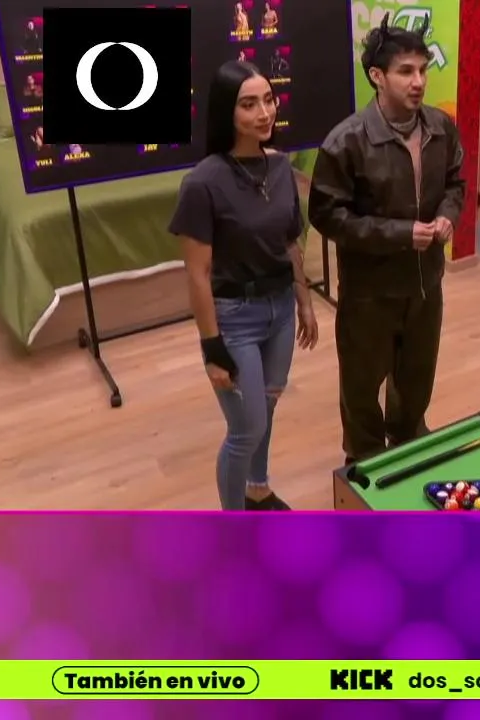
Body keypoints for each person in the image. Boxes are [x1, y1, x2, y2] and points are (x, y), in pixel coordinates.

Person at [308, 14, 465, 464]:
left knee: (416, 378)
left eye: (423, 70)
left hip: (426, 285)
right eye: (405, 71)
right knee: (361, 386)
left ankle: (408, 440)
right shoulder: (346, 142)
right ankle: (363, 460)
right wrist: (399, 234)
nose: (419, 82)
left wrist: (447, 215)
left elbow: (456, 183)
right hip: (369, 293)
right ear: (377, 76)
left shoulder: (441, 127)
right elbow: (327, 215)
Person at [168, 60, 318, 510]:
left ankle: (258, 487)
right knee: (246, 428)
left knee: (266, 408)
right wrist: (212, 347)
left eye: (268, 100)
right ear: (226, 113)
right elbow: (197, 273)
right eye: (249, 104)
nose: (264, 113)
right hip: (234, 319)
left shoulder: (280, 167)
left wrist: (305, 301)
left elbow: (289, 242)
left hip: (280, 310)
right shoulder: (202, 183)